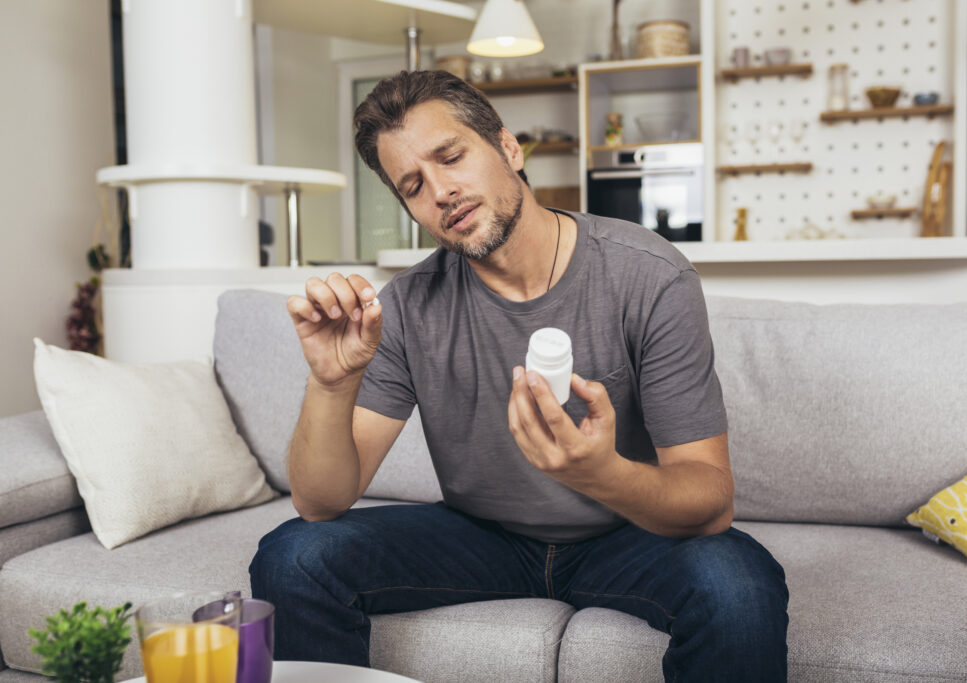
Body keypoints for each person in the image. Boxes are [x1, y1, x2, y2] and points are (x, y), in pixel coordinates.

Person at [249, 69, 788, 682]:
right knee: (295, 554)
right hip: (483, 539)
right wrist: (331, 383)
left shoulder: (650, 276)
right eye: (413, 186)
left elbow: (711, 501)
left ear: (508, 146)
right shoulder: (405, 307)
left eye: (451, 157)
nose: (441, 192)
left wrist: (601, 474)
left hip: (628, 535)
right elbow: (320, 503)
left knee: (737, 582)